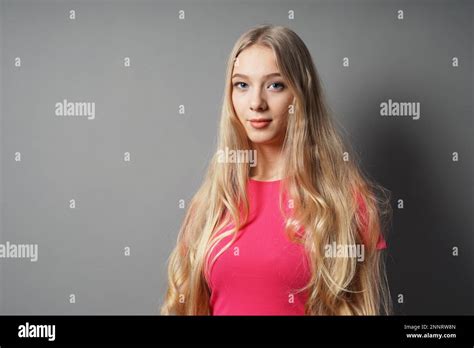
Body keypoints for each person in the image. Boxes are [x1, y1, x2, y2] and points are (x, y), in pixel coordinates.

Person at [161, 24, 392, 315]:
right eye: (242, 85)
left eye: (275, 85)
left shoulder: (346, 202)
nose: (256, 103)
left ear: (300, 94)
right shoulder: (209, 205)